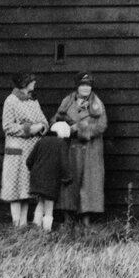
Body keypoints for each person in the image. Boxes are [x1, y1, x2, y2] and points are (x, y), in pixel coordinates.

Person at [54, 71, 109, 222]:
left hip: (91, 148)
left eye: (88, 85)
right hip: (70, 146)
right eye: (82, 85)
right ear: (77, 86)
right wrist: (63, 127)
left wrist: (81, 129)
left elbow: (102, 125)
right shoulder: (68, 101)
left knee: (89, 182)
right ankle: (67, 218)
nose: (85, 88)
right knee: (68, 181)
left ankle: (86, 220)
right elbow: (56, 118)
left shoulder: (97, 103)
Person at [0, 70, 48, 228]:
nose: (34, 83)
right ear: (24, 83)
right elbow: (7, 126)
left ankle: (24, 223)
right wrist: (28, 129)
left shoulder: (33, 101)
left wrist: (41, 127)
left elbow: (44, 121)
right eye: (32, 81)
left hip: (32, 150)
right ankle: (16, 224)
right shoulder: (11, 100)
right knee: (15, 186)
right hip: (16, 150)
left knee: (26, 188)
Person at [25, 122, 73, 232]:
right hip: (51, 180)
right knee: (49, 206)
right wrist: (67, 177)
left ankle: (36, 227)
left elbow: (29, 160)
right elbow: (64, 163)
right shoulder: (61, 143)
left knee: (41, 201)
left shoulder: (41, 141)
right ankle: (46, 231)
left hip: (36, 178)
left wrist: (35, 171)